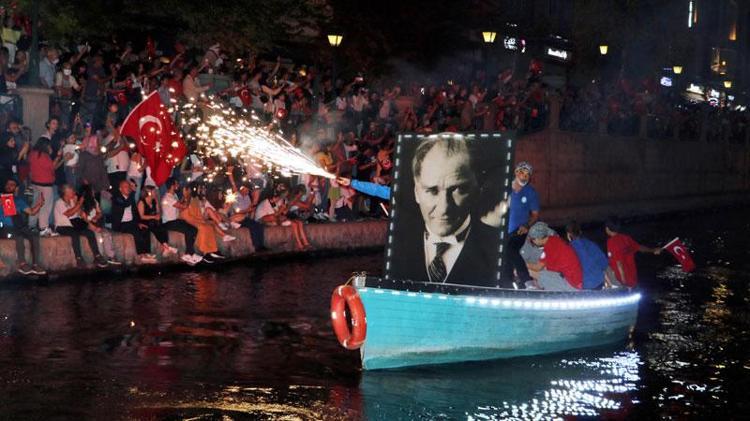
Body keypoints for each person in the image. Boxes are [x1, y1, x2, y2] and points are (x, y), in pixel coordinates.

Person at [388, 136, 500, 286]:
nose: (444, 208)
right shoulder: (396, 245)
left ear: (477, 188)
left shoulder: (497, 247)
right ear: (416, 192)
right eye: (432, 190)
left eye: (457, 189)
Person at [502, 161, 540, 288]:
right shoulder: (505, 187)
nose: (525, 177)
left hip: (520, 230)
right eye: (523, 173)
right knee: (506, 258)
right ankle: (508, 283)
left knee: (511, 250)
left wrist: (527, 226)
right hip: (503, 230)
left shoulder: (531, 192)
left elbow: (535, 215)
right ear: (516, 172)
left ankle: (527, 280)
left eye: (528, 175)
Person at [53, 184, 109, 269]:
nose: (74, 192)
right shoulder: (59, 203)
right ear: (65, 192)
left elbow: (80, 214)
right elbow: (69, 213)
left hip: (74, 225)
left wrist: (77, 203)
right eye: (72, 191)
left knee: (90, 233)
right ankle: (79, 258)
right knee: (74, 234)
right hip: (62, 226)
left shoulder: (72, 201)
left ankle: (97, 256)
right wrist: (79, 203)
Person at [0, 178, 45, 275]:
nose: (9, 186)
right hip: (7, 227)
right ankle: (22, 264)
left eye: (12, 184)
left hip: (19, 226)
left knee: (34, 236)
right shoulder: (1, 197)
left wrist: (40, 204)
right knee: (19, 237)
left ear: (16, 188)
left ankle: (35, 264)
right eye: (8, 184)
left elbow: (32, 212)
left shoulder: (18, 200)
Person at [525, 222, 582, 291]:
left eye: (532, 240)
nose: (533, 242)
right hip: (575, 280)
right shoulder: (554, 240)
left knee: (534, 272)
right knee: (542, 272)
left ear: (538, 238)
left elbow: (537, 267)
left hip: (572, 284)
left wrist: (523, 265)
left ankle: (533, 290)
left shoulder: (549, 247)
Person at [605, 217, 661, 288]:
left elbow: (619, 264)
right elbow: (640, 248)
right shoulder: (626, 238)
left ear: (607, 229)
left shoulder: (611, 242)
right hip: (633, 279)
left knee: (603, 268)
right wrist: (653, 250)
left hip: (621, 281)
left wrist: (624, 283)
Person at [110, 180, 157, 264]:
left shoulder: (131, 199)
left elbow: (135, 213)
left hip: (131, 223)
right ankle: (141, 255)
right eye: (125, 187)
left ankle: (147, 253)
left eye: (129, 186)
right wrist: (133, 193)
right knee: (135, 232)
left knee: (145, 229)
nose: (128, 188)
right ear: (120, 189)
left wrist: (138, 223)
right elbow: (125, 204)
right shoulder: (116, 198)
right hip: (121, 224)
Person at [178, 184, 225, 263]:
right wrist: (187, 197)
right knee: (203, 228)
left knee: (209, 226)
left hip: (196, 219)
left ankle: (213, 250)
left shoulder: (196, 198)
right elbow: (183, 211)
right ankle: (205, 253)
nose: (200, 190)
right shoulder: (185, 198)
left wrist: (202, 219)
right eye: (199, 188)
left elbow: (198, 213)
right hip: (187, 219)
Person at [78, 184, 121, 266]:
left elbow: (100, 213)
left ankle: (111, 256)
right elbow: (83, 219)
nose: (94, 192)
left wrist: (96, 217)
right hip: (86, 225)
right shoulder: (80, 203)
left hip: (95, 223)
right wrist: (92, 226)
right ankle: (100, 257)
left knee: (106, 234)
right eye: (92, 191)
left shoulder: (94, 201)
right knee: (98, 237)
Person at [161, 178, 202, 265]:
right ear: (172, 186)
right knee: (189, 231)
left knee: (194, 229)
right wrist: (188, 196)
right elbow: (184, 206)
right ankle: (189, 253)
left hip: (176, 220)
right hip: (169, 223)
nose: (178, 185)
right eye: (176, 184)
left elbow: (179, 203)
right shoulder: (168, 198)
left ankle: (189, 253)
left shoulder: (174, 195)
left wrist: (184, 196)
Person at [565, 221, 616, 290]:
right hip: (598, 281)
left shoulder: (568, 249)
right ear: (580, 232)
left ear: (568, 234)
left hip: (583, 285)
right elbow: (603, 263)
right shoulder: (590, 244)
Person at [28, 138, 62, 236]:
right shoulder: (44, 156)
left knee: (35, 204)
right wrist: (58, 157)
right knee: (45, 207)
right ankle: (43, 228)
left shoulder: (32, 154)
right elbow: (52, 167)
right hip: (45, 185)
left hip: (35, 183)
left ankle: (31, 226)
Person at [137, 185, 179, 258]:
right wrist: (154, 217)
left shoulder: (154, 200)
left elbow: (158, 212)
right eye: (154, 192)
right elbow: (141, 216)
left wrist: (158, 211)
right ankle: (163, 248)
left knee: (162, 227)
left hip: (153, 221)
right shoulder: (142, 202)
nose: (155, 193)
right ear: (149, 192)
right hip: (144, 221)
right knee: (149, 229)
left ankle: (166, 247)